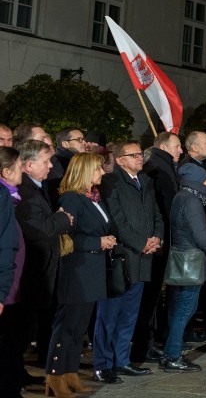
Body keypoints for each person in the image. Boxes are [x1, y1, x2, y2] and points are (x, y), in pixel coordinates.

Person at [45, 152, 117, 397]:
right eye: (98, 168)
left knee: (79, 327)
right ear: (85, 170)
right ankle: (54, 376)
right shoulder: (72, 199)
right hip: (76, 269)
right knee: (67, 325)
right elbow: (67, 236)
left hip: (92, 269)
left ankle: (71, 372)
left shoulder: (94, 197)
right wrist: (98, 241)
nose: (103, 172)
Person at [94, 141, 163, 382]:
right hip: (123, 258)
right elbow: (116, 220)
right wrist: (140, 243)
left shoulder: (145, 181)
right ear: (120, 159)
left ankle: (122, 360)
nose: (139, 158)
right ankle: (103, 364)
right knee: (110, 315)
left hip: (143, 259)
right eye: (133, 155)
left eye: (140, 154)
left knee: (130, 314)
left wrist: (157, 238)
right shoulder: (111, 182)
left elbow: (156, 214)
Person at [14, 140, 72, 374]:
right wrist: (61, 219)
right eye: (46, 161)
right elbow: (37, 228)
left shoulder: (37, 186)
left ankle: (18, 375)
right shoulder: (24, 191)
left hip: (41, 270)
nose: (51, 166)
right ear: (28, 165)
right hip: (30, 273)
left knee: (23, 334)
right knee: (18, 334)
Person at [160, 163, 206, 372]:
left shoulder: (181, 196)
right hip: (190, 259)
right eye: (205, 179)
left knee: (182, 307)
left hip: (181, 256)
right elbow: (201, 235)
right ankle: (172, 355)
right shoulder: (193, 201)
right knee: (185, 308)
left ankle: (170, 352)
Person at [136, 131, 185, 361]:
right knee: (149, 296)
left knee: (153, 296)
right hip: (155, 243)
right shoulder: (158, 169)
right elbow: (163, 209)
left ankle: (147, 342)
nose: (181, 151)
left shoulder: (164, 167)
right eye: (177, 146)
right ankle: (142, 346)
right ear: (164, 147)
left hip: (160, 239)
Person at [0, 146, 26, 398]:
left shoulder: (9, 196)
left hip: (9, 289)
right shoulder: (4, 197)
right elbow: (6, 245)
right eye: (20, 167)